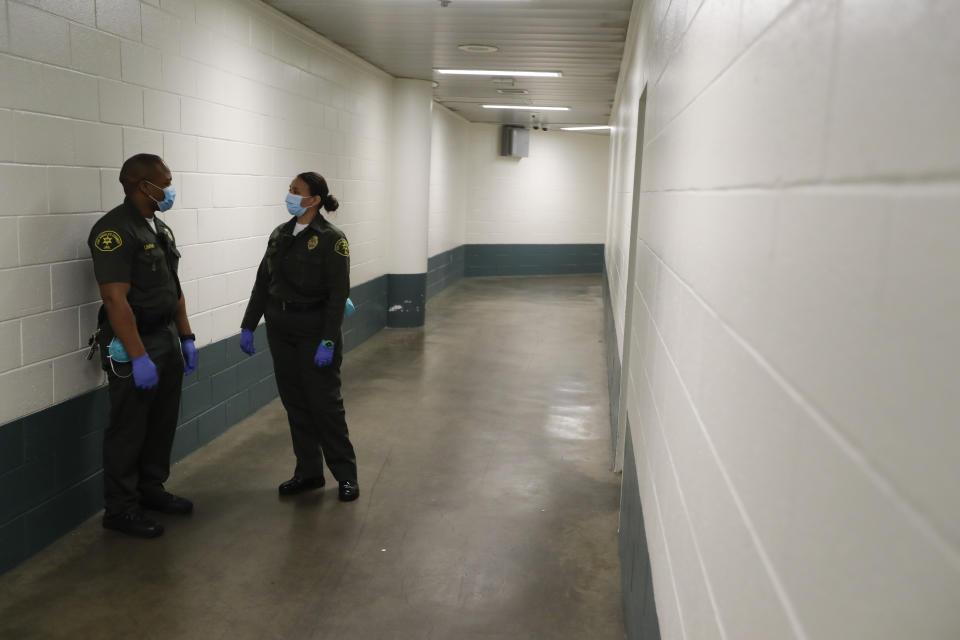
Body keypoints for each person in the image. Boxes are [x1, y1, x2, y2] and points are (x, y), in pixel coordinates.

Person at [87, 154, 198, 538]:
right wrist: (138, 356)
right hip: (134, 341)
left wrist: (186, 336)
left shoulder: (160, 230)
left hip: (165, 336)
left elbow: (174, 288)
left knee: (161, 421)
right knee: (129, 428)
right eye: (165, 182)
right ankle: (120, 508)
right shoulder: (114, 231)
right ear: (141, 185)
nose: (169, 189)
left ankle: (151, 489)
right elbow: (116, 301)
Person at [238, 172, 359, 502]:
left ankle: (346, 475)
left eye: (296, 191)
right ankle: (308, 473)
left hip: (315, 331)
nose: (289, 195)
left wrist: (329, 339)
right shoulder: (280, 234)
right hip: (281, 330)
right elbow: (263, 283)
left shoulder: (333, 238)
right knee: (296, 404)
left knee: (325, 406)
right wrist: (249, 324)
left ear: (314, 199)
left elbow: (338, 294)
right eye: (289, 189)